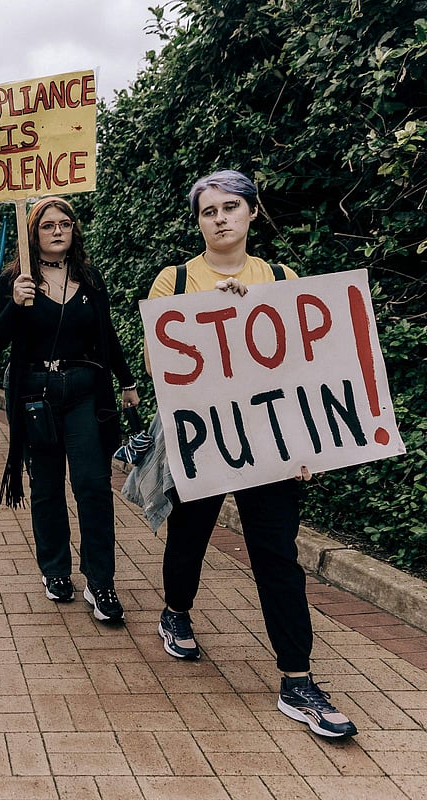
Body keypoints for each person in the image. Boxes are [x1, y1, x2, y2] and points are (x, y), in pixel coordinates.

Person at [148, 169, 357, 738]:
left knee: (276, 555)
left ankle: (298, 679)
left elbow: (306, 369)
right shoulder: (176, 280)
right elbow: (157, 364)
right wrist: (209, 313)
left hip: (270, 444)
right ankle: (177, 611)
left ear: (251, 213)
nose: (220, 218)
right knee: (189, 538)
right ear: (198, 221)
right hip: (204, 440)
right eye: (208, 210)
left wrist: (311, 443)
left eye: (230, 207)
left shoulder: (283, 278)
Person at [0, 196, 139, 623]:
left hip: (85, 393)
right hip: (36, 398)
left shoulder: (89, 277)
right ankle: (55, 571)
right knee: (47, 487)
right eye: (47, 225)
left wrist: (126, 382)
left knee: (92, 484)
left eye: (64, 223)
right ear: (33, 234)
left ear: (74, 230)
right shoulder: (16, 279)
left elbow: (106, 333)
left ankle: (100, 582)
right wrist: (15, 303)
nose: (56, 231)